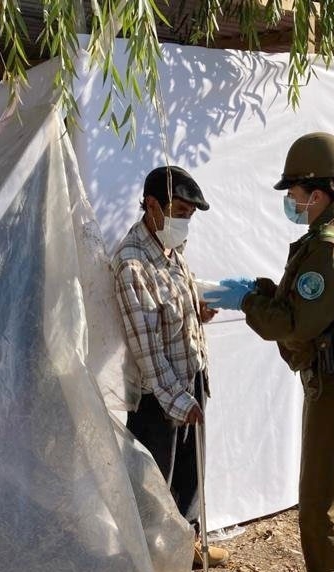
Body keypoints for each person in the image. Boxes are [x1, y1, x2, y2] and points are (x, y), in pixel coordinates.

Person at [204, 133, 334, 572]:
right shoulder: (329, 233)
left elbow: (293, 324)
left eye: (294, 193)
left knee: (318, 503)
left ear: (318, 193)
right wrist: (261, 290)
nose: (290, 200)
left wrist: (247, 302)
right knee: (330, 494)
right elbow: (306, 306)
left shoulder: (330, 247)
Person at [111, 165, 229, 568]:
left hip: (190, 380)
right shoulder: (131, 264)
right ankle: (153, 561)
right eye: (179, 210)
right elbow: (146, 350)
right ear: (151, 205)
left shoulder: (170, 249)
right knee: (153, 487)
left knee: (188, 482)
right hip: (157, 398)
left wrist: (198, 309)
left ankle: (188, 547)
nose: (184, 222)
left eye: (190, 215)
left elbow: (176, 305)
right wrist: (178, 402)